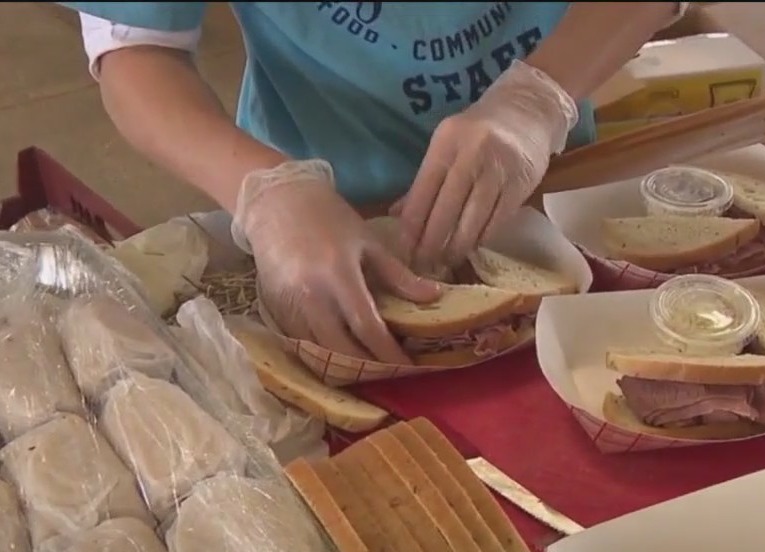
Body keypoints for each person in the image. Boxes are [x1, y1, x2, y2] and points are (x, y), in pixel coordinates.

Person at [63, 2, 687, 363]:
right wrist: (268, 191)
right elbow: (138, 50)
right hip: (321, 214)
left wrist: (538, 98)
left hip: (548, 195)